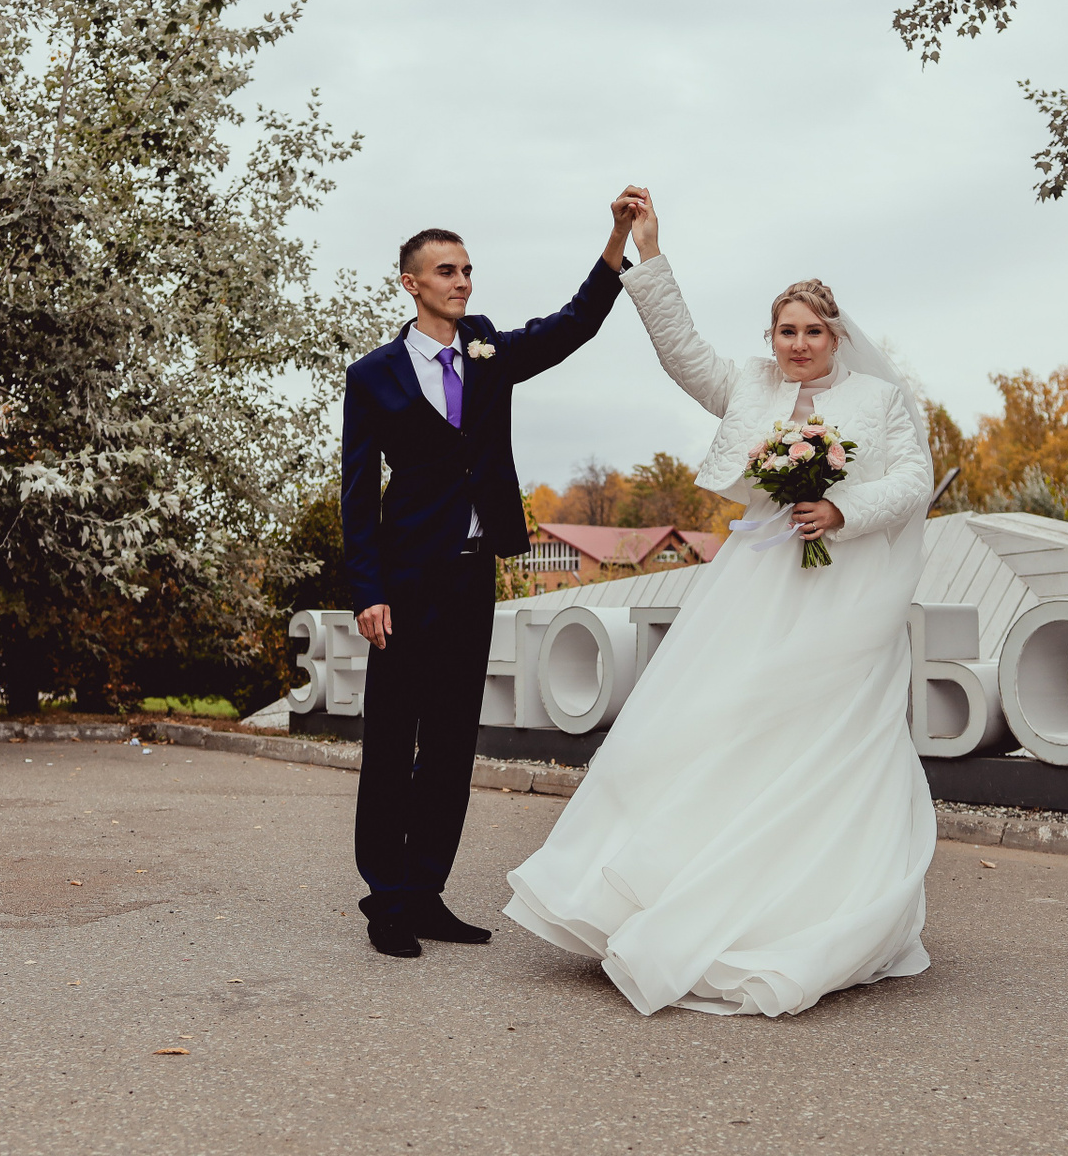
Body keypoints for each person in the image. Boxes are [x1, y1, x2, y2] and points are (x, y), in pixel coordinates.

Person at [504, 190, 937, 1016]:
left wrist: (842, 511)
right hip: (756, 582)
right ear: (770, 337)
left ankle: (812, 909)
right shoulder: (747, 385)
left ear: (837, 337)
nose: (798, 344)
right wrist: (649, 251)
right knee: (722, 717)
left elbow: (914, 479)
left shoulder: (878, 402)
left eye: (812, 331)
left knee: (827, 733)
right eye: (786, 331)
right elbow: (680, 350)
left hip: (842, 593)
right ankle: (675, 891)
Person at [341, 190, 643, 958]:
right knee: (392, 744)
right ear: (411, 282)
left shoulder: (486, 349)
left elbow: (573, 324)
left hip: (473, 578)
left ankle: (425, 893)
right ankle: (385, 900)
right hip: (404, 583)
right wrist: (368, 590)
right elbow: (356, 493)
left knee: (450, 744)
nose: (462, 282)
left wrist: (616, 238)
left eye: (468, 270)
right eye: (446, 271)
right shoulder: (372, 377)